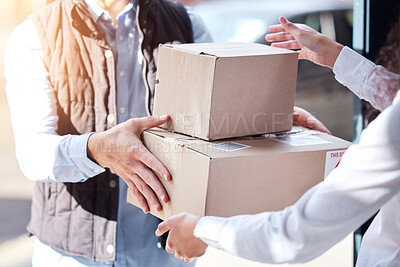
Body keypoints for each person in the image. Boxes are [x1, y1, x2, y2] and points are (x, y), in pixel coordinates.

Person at [155, 16, 400, 266]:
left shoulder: (393, 135)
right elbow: (395, 94)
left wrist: (200, 229)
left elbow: (294, 235)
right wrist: (335, 55)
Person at [4, 0, 213, 266]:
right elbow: (31, 153)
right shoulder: (34, 34)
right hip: (71, 257)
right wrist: (95, 150)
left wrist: (206, 223)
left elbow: (216, 140)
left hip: (161, 255)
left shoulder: (188, 25)